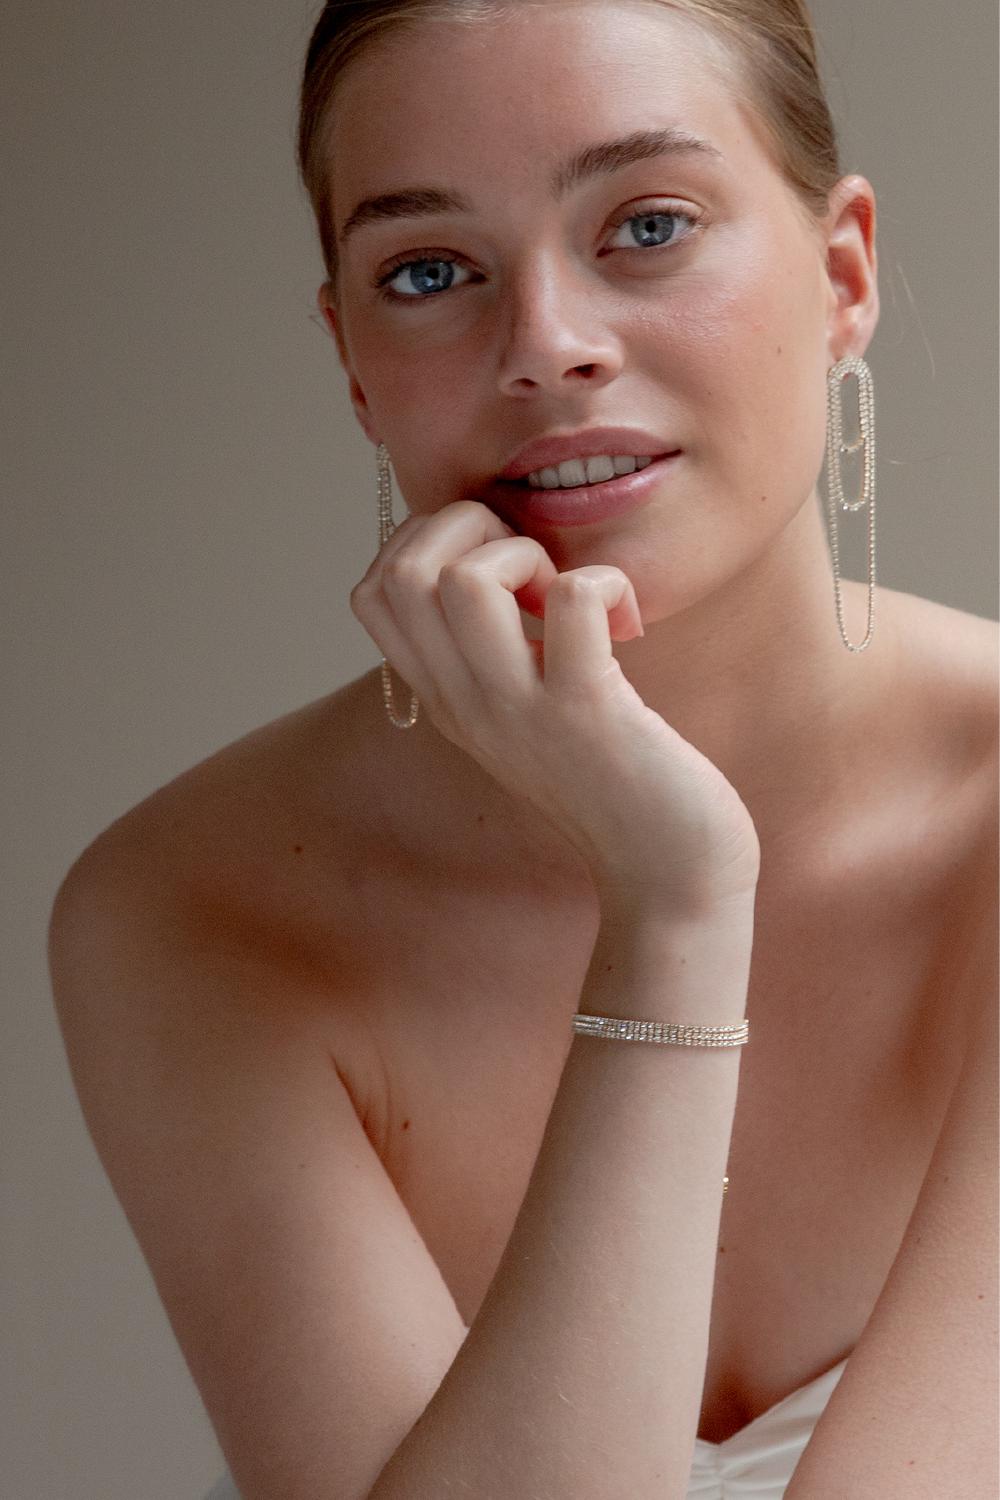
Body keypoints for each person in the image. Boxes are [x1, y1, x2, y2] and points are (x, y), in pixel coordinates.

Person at [49, 2, 998, 1498]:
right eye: (429, 271)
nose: (547, 346)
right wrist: (673, 907)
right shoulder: (191, 909)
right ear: (352, 359)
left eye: (649, 226)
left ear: (843, 275)